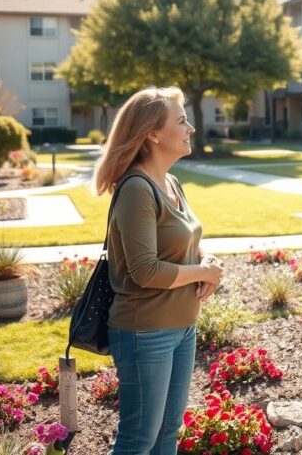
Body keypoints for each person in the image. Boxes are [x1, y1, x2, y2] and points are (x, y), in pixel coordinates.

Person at [92, 86, 223, 455]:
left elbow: (188, 238)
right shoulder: (137, 188)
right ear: (152, 133)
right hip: (145, 330)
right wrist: (201, 273)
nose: (190, 128)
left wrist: (207, 260)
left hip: (182, 327)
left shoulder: (171, 182)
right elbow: (145, 271)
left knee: (168, 434)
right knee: (138, 439)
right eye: (181, 121)